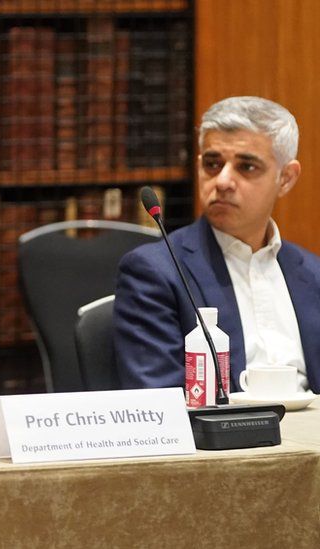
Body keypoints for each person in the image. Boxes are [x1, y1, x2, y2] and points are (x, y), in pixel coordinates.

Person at [114, 96, 320, 393]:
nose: (222, 181)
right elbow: (161, 403)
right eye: (212, 164)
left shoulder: (313, 274)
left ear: (285, 178)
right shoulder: (155, 272)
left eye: (246, 167)